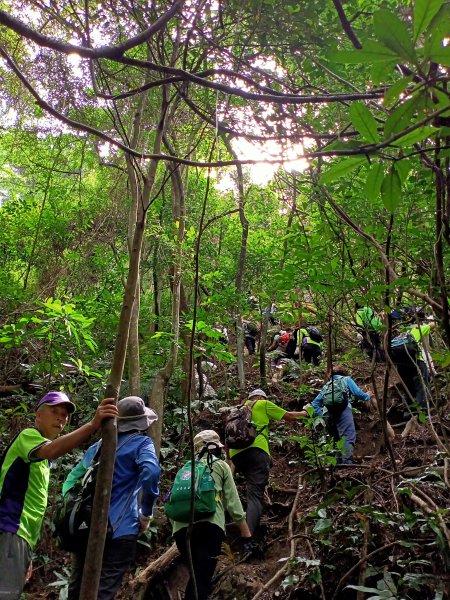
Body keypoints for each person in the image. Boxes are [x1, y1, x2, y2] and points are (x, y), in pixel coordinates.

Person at [0, 391, 118, 600]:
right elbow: (52, 450)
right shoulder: (28, 437)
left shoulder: (42, 458)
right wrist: (92, 425)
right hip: (8, 530)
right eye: (54, 411)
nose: (61, 418)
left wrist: (28, 552)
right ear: (38, 415)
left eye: (65, 415)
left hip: (20, 538)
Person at [63, 396, 161, 600]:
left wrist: (77, 508)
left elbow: (71, 482)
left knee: (77, 589)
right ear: (141, 422)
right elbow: (151, 473)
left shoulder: (97, 447)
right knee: (103, 591)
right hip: (120, 528)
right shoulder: (141, 444)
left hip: (86, 530)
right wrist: (146, 514)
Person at [171, 430, 252, 600]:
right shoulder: (220, 465)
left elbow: (175, 500)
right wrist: (246, 534)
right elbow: (233, 503)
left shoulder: (186, 468)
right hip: (210, 527)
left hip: (181, 530)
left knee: (196, 577)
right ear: (215, 448)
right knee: (201, 579)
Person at [229, 389, 304, 537]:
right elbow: (289, 416)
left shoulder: (238, 410)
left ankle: (244, 527)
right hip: (257, 451)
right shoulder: (263, 404)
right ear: (261, 397)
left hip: (236, 454)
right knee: (254, 496)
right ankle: (248, 538)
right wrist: (306, 413)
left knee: (251, 490)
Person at [299, 364, 373, 464]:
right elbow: (358, 393)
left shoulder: (327, 386)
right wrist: (368, 396)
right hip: (343, 411)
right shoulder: (346, 379)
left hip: (327, 415)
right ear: (343, 373)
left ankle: (338, 465)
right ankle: (347, 465)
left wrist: (322, 413)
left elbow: (314, 404)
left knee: (337, 440)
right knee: (347, 437)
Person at [392, 318, 436, 413]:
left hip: (401, 367)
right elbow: (432, 325)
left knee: (408, 388)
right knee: (422, 386)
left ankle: (409, 412)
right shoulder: (416, 329)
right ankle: (422, 412)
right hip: (417, 362)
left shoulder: (399, 336)